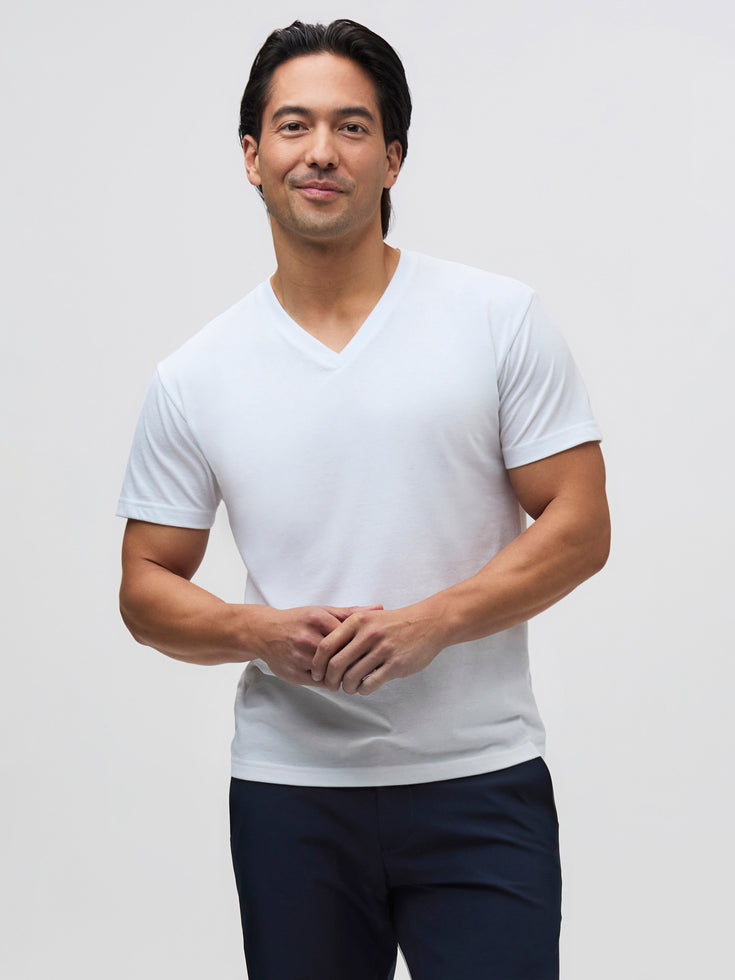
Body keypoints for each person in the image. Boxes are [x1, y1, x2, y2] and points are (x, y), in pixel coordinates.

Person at [117, 18, 610, 980]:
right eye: (293, 125)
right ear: (252, 157)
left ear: (392, 158)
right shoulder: (196, 374)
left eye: (351, 127)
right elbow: (144, 584)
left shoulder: (495, 320)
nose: (320, 151)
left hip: (479, 779)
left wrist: (434, 621)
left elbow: (580, 524)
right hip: (291, 794)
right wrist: (257, 631)